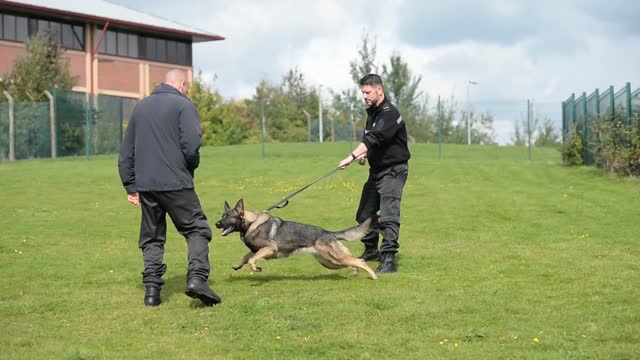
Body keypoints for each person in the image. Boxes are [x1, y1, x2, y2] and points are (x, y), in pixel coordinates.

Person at [118, 69, 221, 307]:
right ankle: (197, 279)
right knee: (197, 229)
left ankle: (152, 293)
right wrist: (191, 165)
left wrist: (130, 186)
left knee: (152, 237)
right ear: (182, 85)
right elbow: (192, 144)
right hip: (176, 182)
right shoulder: (183, 105)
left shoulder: (140, 107)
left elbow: (126, 152)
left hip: (146, 185)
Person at [338, 73, 410, 273]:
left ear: (379, 90)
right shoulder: (373, 112)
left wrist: (351, 157)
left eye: (367, 92)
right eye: (362, 92)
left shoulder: (389, 113)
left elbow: (375, 137)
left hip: (394, 171)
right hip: (376, 171)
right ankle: (371, 250)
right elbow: (373, 140)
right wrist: (365, 154)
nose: (364, 96)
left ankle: (389, 260)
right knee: (364, 213)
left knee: (388, 216)